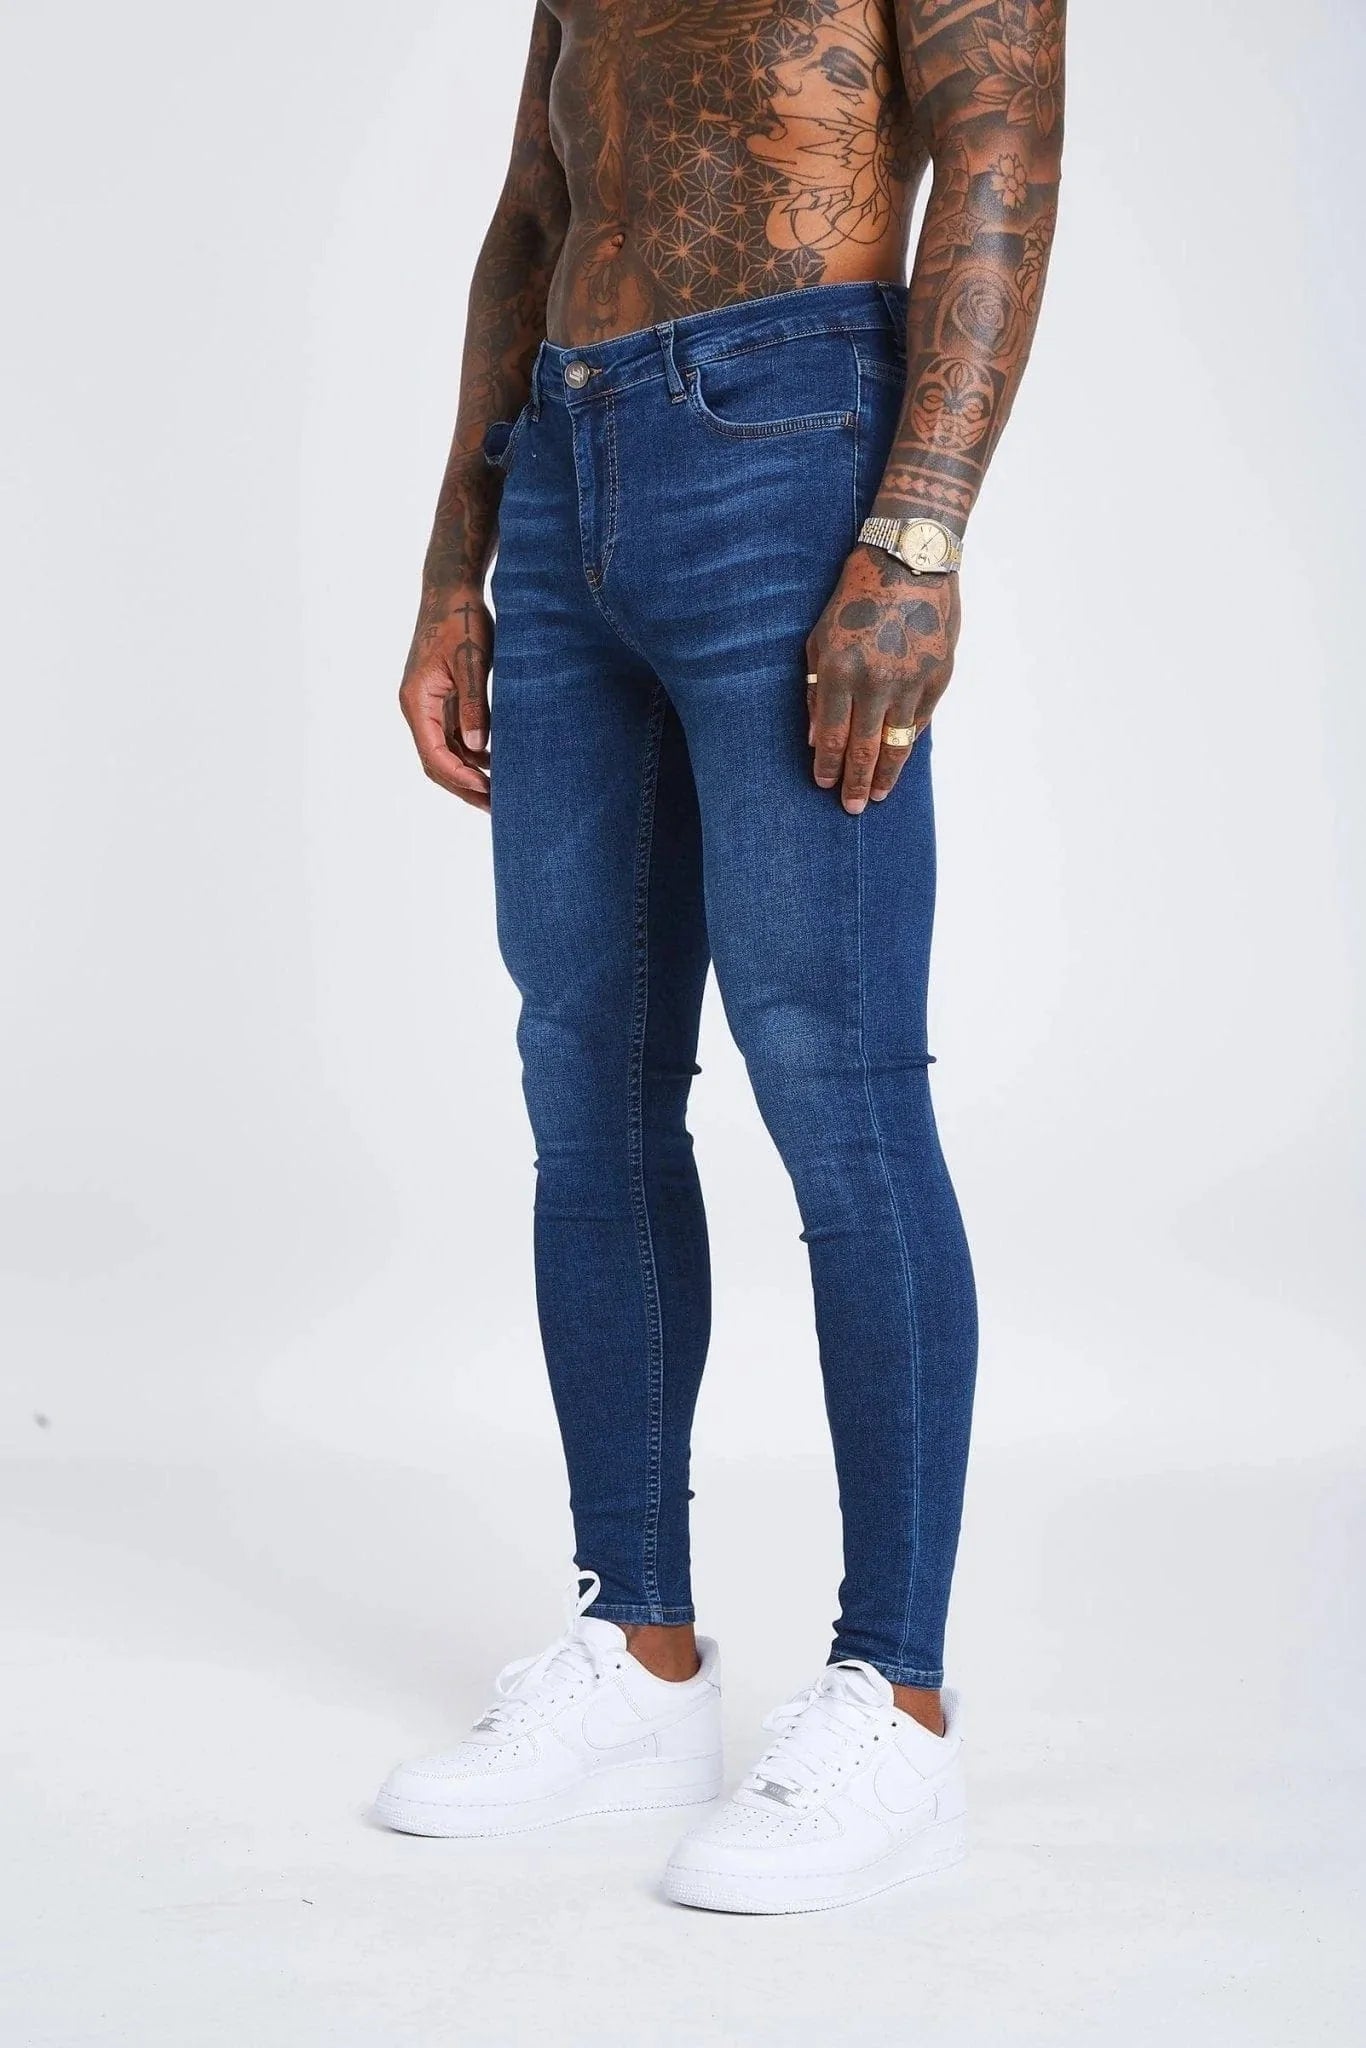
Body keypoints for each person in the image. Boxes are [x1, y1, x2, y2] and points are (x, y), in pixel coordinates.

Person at [378, 0, 1065, 1915]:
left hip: (792, 439)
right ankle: (639, 1652)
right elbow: (534, 206)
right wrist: (454, 562)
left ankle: (893, 1697)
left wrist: (915, 538)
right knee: (585, 1077)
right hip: (563, 463)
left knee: (833, 1079)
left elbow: (998, 155)